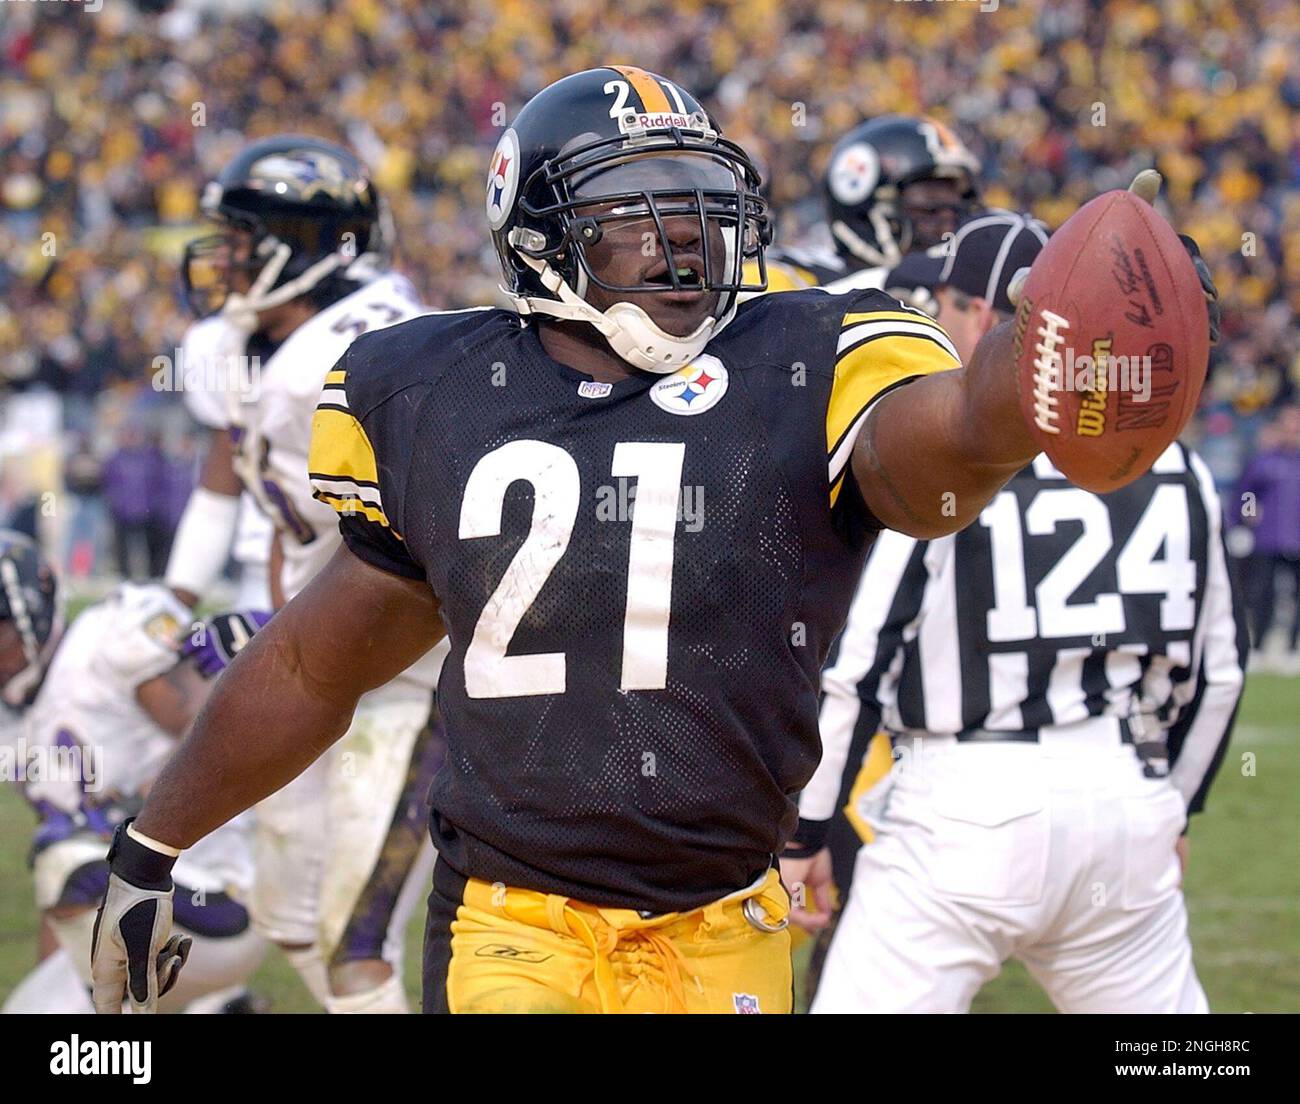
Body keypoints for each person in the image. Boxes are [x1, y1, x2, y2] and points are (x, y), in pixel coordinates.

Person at [90, 68, 1217, 1015]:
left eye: (697, 203)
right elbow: (310, 659)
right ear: (536, 231)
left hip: (726, 922)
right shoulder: (434, 386)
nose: (682, 237)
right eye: (634, 206)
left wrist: (1042, 369)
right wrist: (151, 850)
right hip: (511, 929)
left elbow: (952, 442)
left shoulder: (808, 353)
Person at [788, 214, 1247, 1013]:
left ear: (1000, 317)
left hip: (965, 806)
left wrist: (805, 834)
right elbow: (1219, 675)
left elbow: (858, 667)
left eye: (950, 303)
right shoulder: (1179, 469)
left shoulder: (952, 457)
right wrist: (1175, 803)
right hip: (1123, 797)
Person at [156, 135, 445, 1013]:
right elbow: (223, 468)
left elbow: (425, 549)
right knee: (288, 913)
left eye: (244, 239)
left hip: (413, 675)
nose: (225, 259)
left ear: (307, 245)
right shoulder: (240, 343)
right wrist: (177, 598)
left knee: (354, 941)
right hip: (316, 663)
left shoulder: (369, 353)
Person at [0, 531, 267, 1013]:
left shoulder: (109, 636)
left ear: (30, 613)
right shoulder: (14, 727)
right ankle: (213, 1006)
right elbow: (64, 888)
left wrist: (137, 811)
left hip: (216, 888)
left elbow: (212, 722)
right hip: (136, 908)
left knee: (72, 853)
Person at [749, 114, 982, 295]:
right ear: (864, 205)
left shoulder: (957, 292)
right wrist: (888, 282)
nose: (948, 223)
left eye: (956, 208)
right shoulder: (789, 276)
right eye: (931, 206)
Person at [1233, 405, 1300, 669]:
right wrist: (1248, 516)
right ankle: (1259, 647)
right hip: (1268, 538)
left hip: (1297, 537)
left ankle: (1294, 650)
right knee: (1262, 595)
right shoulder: (1265, 461)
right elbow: (1247, 494)